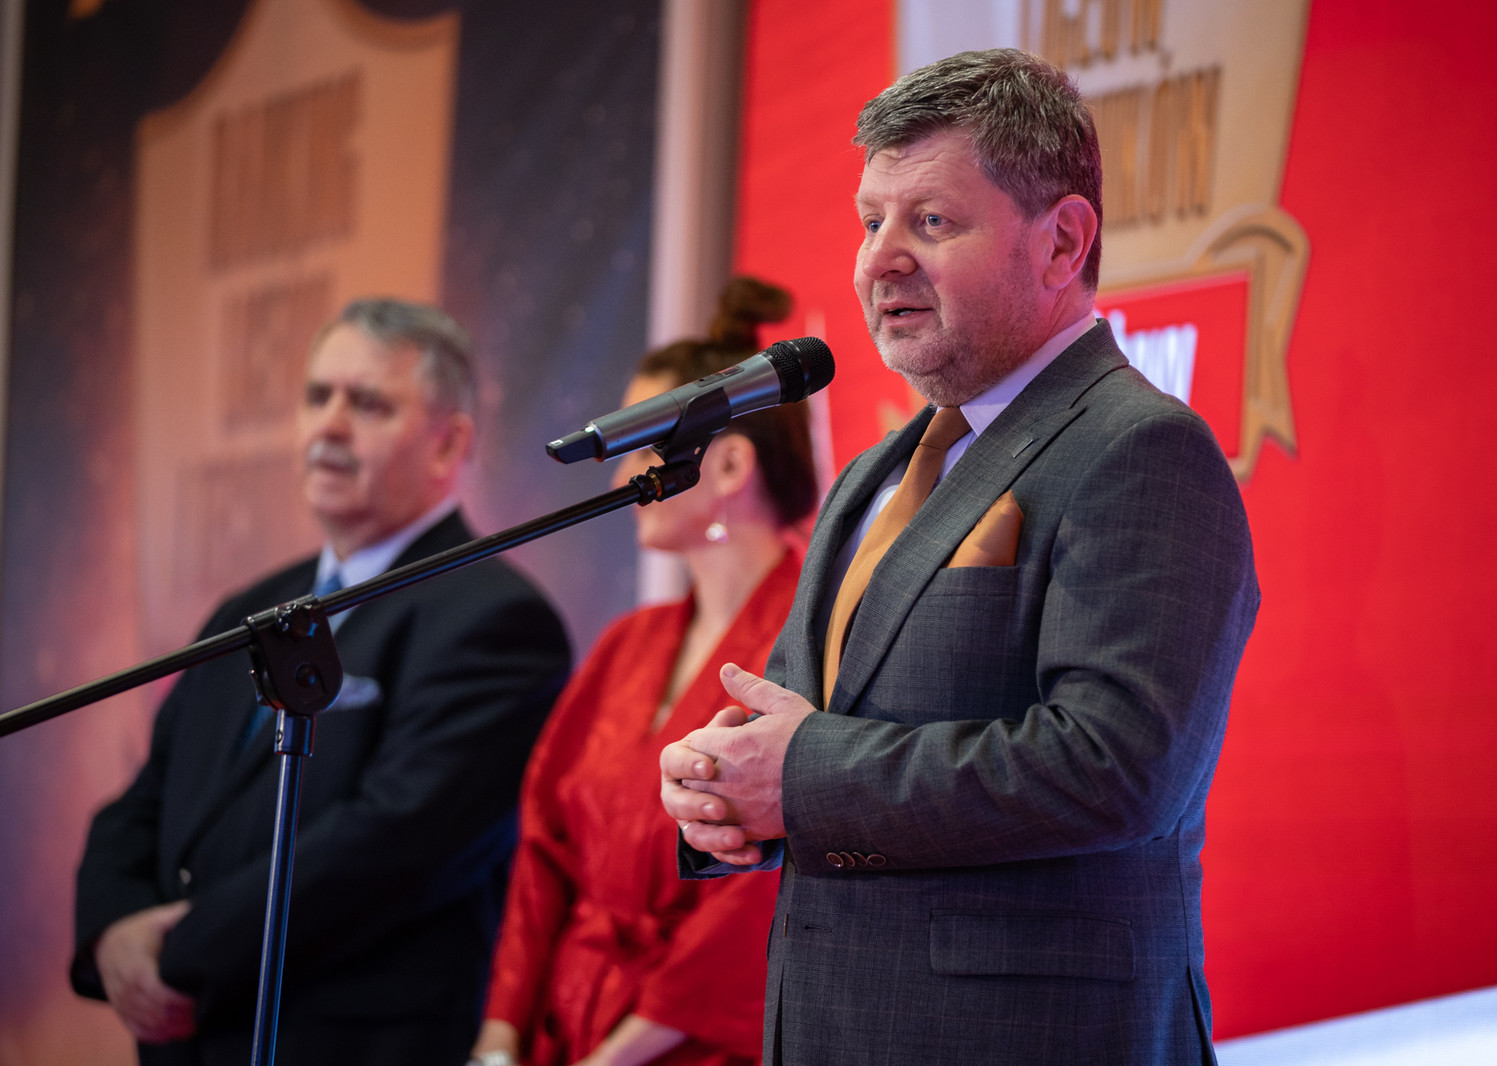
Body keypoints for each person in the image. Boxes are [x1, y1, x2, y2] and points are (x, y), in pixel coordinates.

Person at [660, 49, 1260, 1065]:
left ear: (1062, 240)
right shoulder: (872, 475)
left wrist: (799, 775)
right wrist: (727, 790)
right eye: (870, 221)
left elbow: (1117, 768)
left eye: (930, 222)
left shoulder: (1140, 447)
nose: (879, 260)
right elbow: (805, 734)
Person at [72, 298, 572, 1066]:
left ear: (448, 444)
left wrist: (175, 952)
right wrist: (112, 931)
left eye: (367, 404)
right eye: (317, 396)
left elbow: (392, 847)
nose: (329, 426)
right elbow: (147, 798)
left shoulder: (497, 619)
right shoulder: (249, 608)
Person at [466, 277, 812, 1066]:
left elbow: (753, 902)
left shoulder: (813, 637)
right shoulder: (628, 645)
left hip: (693, 1046)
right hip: (565, 1028)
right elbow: (544, 846)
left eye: (643, 443)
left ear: (729, 465)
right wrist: (499, 1037)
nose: (621, 476)